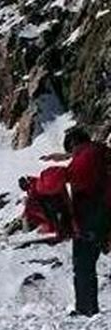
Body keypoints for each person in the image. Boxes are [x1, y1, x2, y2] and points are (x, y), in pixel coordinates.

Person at [61, 127, 111, 316]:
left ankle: (86, 309)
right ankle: (87, 308)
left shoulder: (86, 156)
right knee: (86, 264)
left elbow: (77, 178)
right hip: (102, 214)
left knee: (83, 265)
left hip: (91, 215)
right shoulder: (101, 153)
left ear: (74, 143)